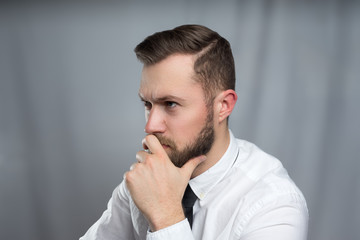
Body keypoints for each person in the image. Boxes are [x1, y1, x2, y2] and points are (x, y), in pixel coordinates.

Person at [80, 24, 308, 240]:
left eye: (170, 104)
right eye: (147, 105)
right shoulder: (149, 177)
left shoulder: (275, 204)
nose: (150, 126)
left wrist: (166, 217)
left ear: (223, 106)